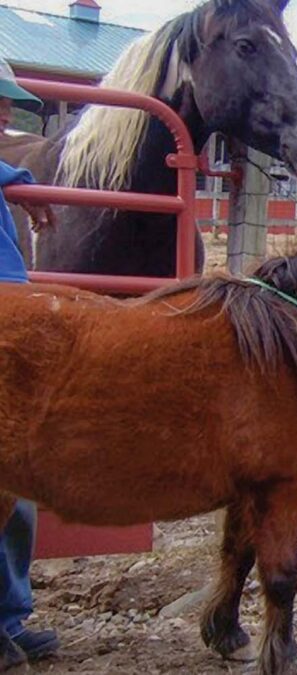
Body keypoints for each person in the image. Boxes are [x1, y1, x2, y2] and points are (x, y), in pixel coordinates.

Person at [0, 60, 59, 671]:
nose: (8, 114)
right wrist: (16, 173)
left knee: (16, 484)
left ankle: (8, 618)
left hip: (15, 319)